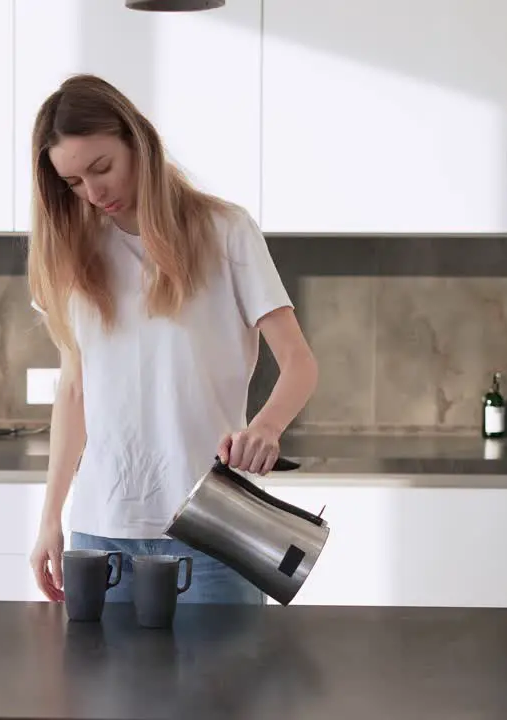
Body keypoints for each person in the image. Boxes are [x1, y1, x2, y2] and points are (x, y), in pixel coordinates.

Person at [26, 74, 319, 605]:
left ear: (137, 141)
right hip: (100, 536)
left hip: (209, 529)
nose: (93, 194)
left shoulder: (226, 231)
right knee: (102, 690)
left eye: (101, 168)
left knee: (221, 690)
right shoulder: (74, 249)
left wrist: (267, 428)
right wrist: (50, 518)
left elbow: (299, 361)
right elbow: (74, 392)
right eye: (72, 183)